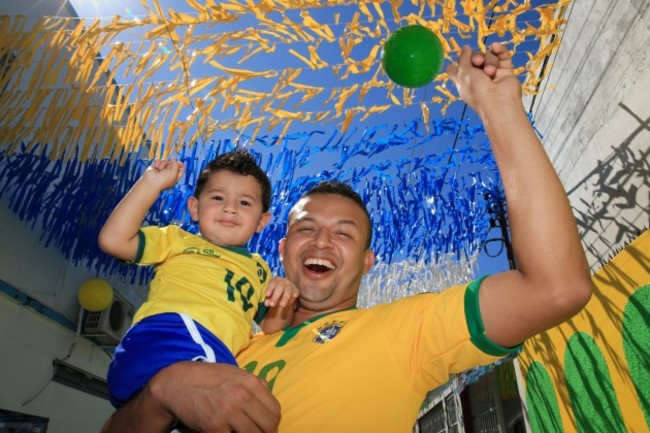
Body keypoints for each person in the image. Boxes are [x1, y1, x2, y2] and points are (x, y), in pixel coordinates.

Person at [100, 42, 593, 433]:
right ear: (280, 248)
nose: (319, 243)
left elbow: (556, 288)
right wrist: (164, 391)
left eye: (343, 234)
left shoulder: (403, 333)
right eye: (305, 229)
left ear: (367, 261)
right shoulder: (228, 347)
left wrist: (500, 108)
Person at [98, 150, 299, 409]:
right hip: (166, 339)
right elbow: (112, 241)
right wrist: (151, 183)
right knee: (243, 397)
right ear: (194, 208)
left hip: (213, 359)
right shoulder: (176, 240)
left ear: (262, 221)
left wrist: (284, 294)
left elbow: (273, 327)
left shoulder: (259, 270)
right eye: (218, 197)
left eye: (245, 203)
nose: (230, 208)